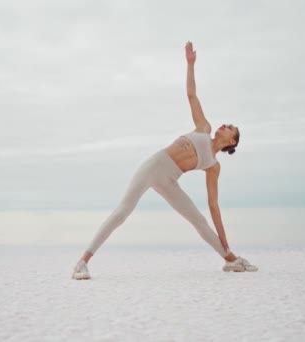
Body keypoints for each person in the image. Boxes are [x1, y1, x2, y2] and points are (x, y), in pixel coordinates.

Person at [72, 41, 258, 280]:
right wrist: (190, 64)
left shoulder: (213, 166)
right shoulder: (204, 128)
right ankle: (82, 262)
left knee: (199, 220)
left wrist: (224, 237)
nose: (225, 125)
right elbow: (191, 94)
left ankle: (231, 259)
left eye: (230, 128)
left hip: (170, 181)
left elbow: (214, 205)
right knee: (123, 211)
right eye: (227, 124)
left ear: (232, 142)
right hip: (154, 165)